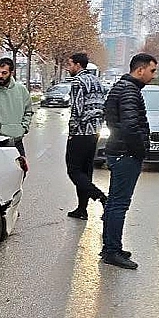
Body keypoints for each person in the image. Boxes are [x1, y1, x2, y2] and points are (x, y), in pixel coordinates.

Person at [100, 53, 157, 270]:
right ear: (140, 70)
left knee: (115, 202)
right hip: (125, 154)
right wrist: (140, 151)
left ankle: (110, 247)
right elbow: (131, 127)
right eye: (152, 71)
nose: (154, 75)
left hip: (119, 151)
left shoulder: (122, 87)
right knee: (119, 204)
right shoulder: (129, 90)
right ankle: (112, 251)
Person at [64, 52, 107, 220]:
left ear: (78, 65)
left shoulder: (78, 83)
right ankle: (82, 209)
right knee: (85, 170)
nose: (68, 68)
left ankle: (101, 197)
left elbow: (76, 109)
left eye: (70, 65)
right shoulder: (97, 82)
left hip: (81, 132)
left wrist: (71, 132)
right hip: (94, 132)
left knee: (73, 170)